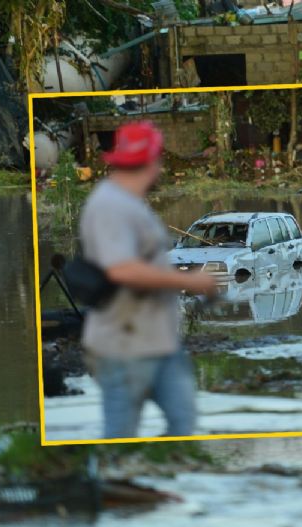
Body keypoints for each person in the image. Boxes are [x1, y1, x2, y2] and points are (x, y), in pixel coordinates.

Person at [79, 121, 218, 439]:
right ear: (152, 162)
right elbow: (121, 270)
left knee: (183, 424)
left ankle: (159, 484)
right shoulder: (109, 206)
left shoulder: (132, 203)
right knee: (121, 437)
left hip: (160, 341)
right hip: (123, 345)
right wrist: (191, 282)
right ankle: (116, 484)